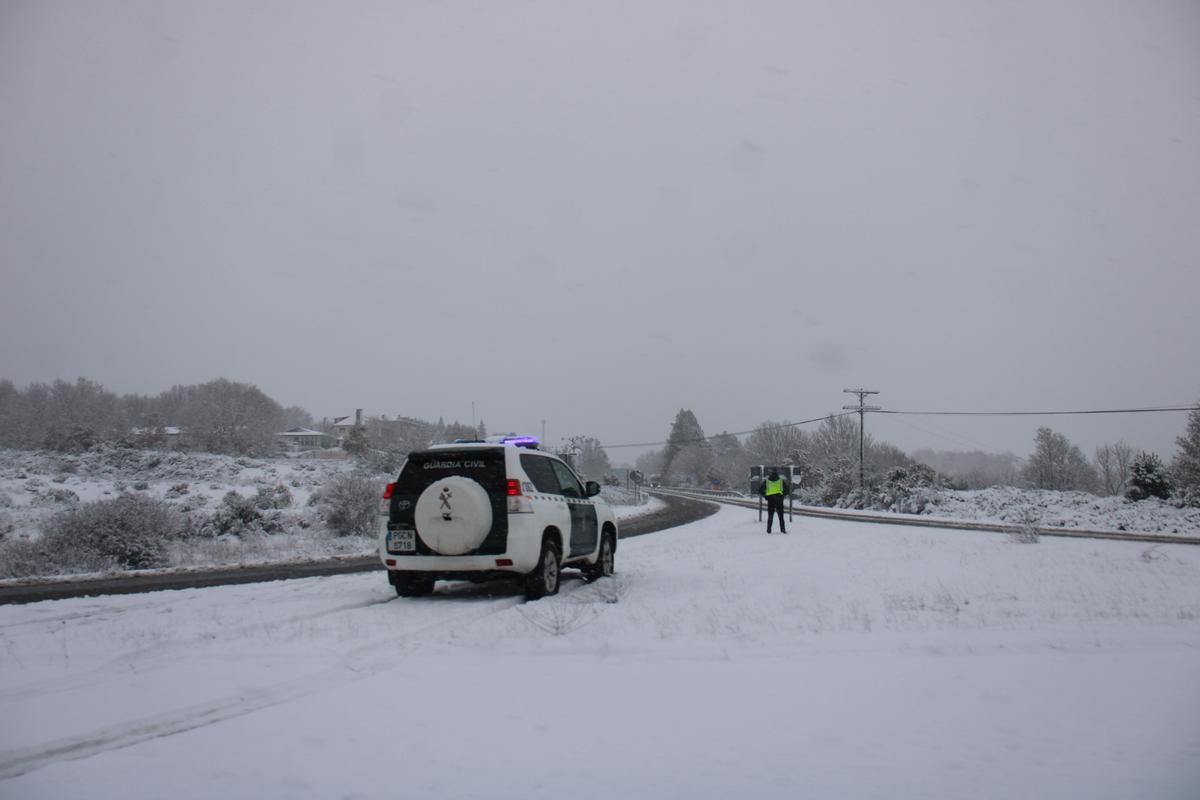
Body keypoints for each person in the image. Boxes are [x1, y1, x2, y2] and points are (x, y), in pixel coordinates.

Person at [759, 468, 789, 534]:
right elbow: (787, 490)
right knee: (781, 516)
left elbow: (760, 490)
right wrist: (782, 496)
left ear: (771, 473)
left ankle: (769, 530)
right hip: (779, 500)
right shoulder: (781, 481)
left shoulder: (767, 481)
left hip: (771, 500)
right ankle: (783, 530)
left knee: (770, 516)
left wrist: (766, 496)